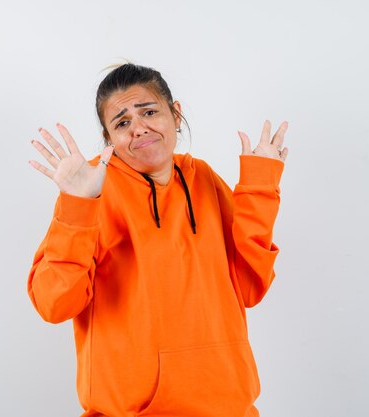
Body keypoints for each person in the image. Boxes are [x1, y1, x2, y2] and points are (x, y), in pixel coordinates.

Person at [27, 63, 289, 417]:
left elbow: (249, 287)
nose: (139, 129)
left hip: (229, 407)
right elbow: (54, 303)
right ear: (109, 139)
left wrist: (259, 189)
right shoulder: (92, 189)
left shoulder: (203, 178)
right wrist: (78, 206)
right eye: (122, 123)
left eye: (149, 112)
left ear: (175, 114)